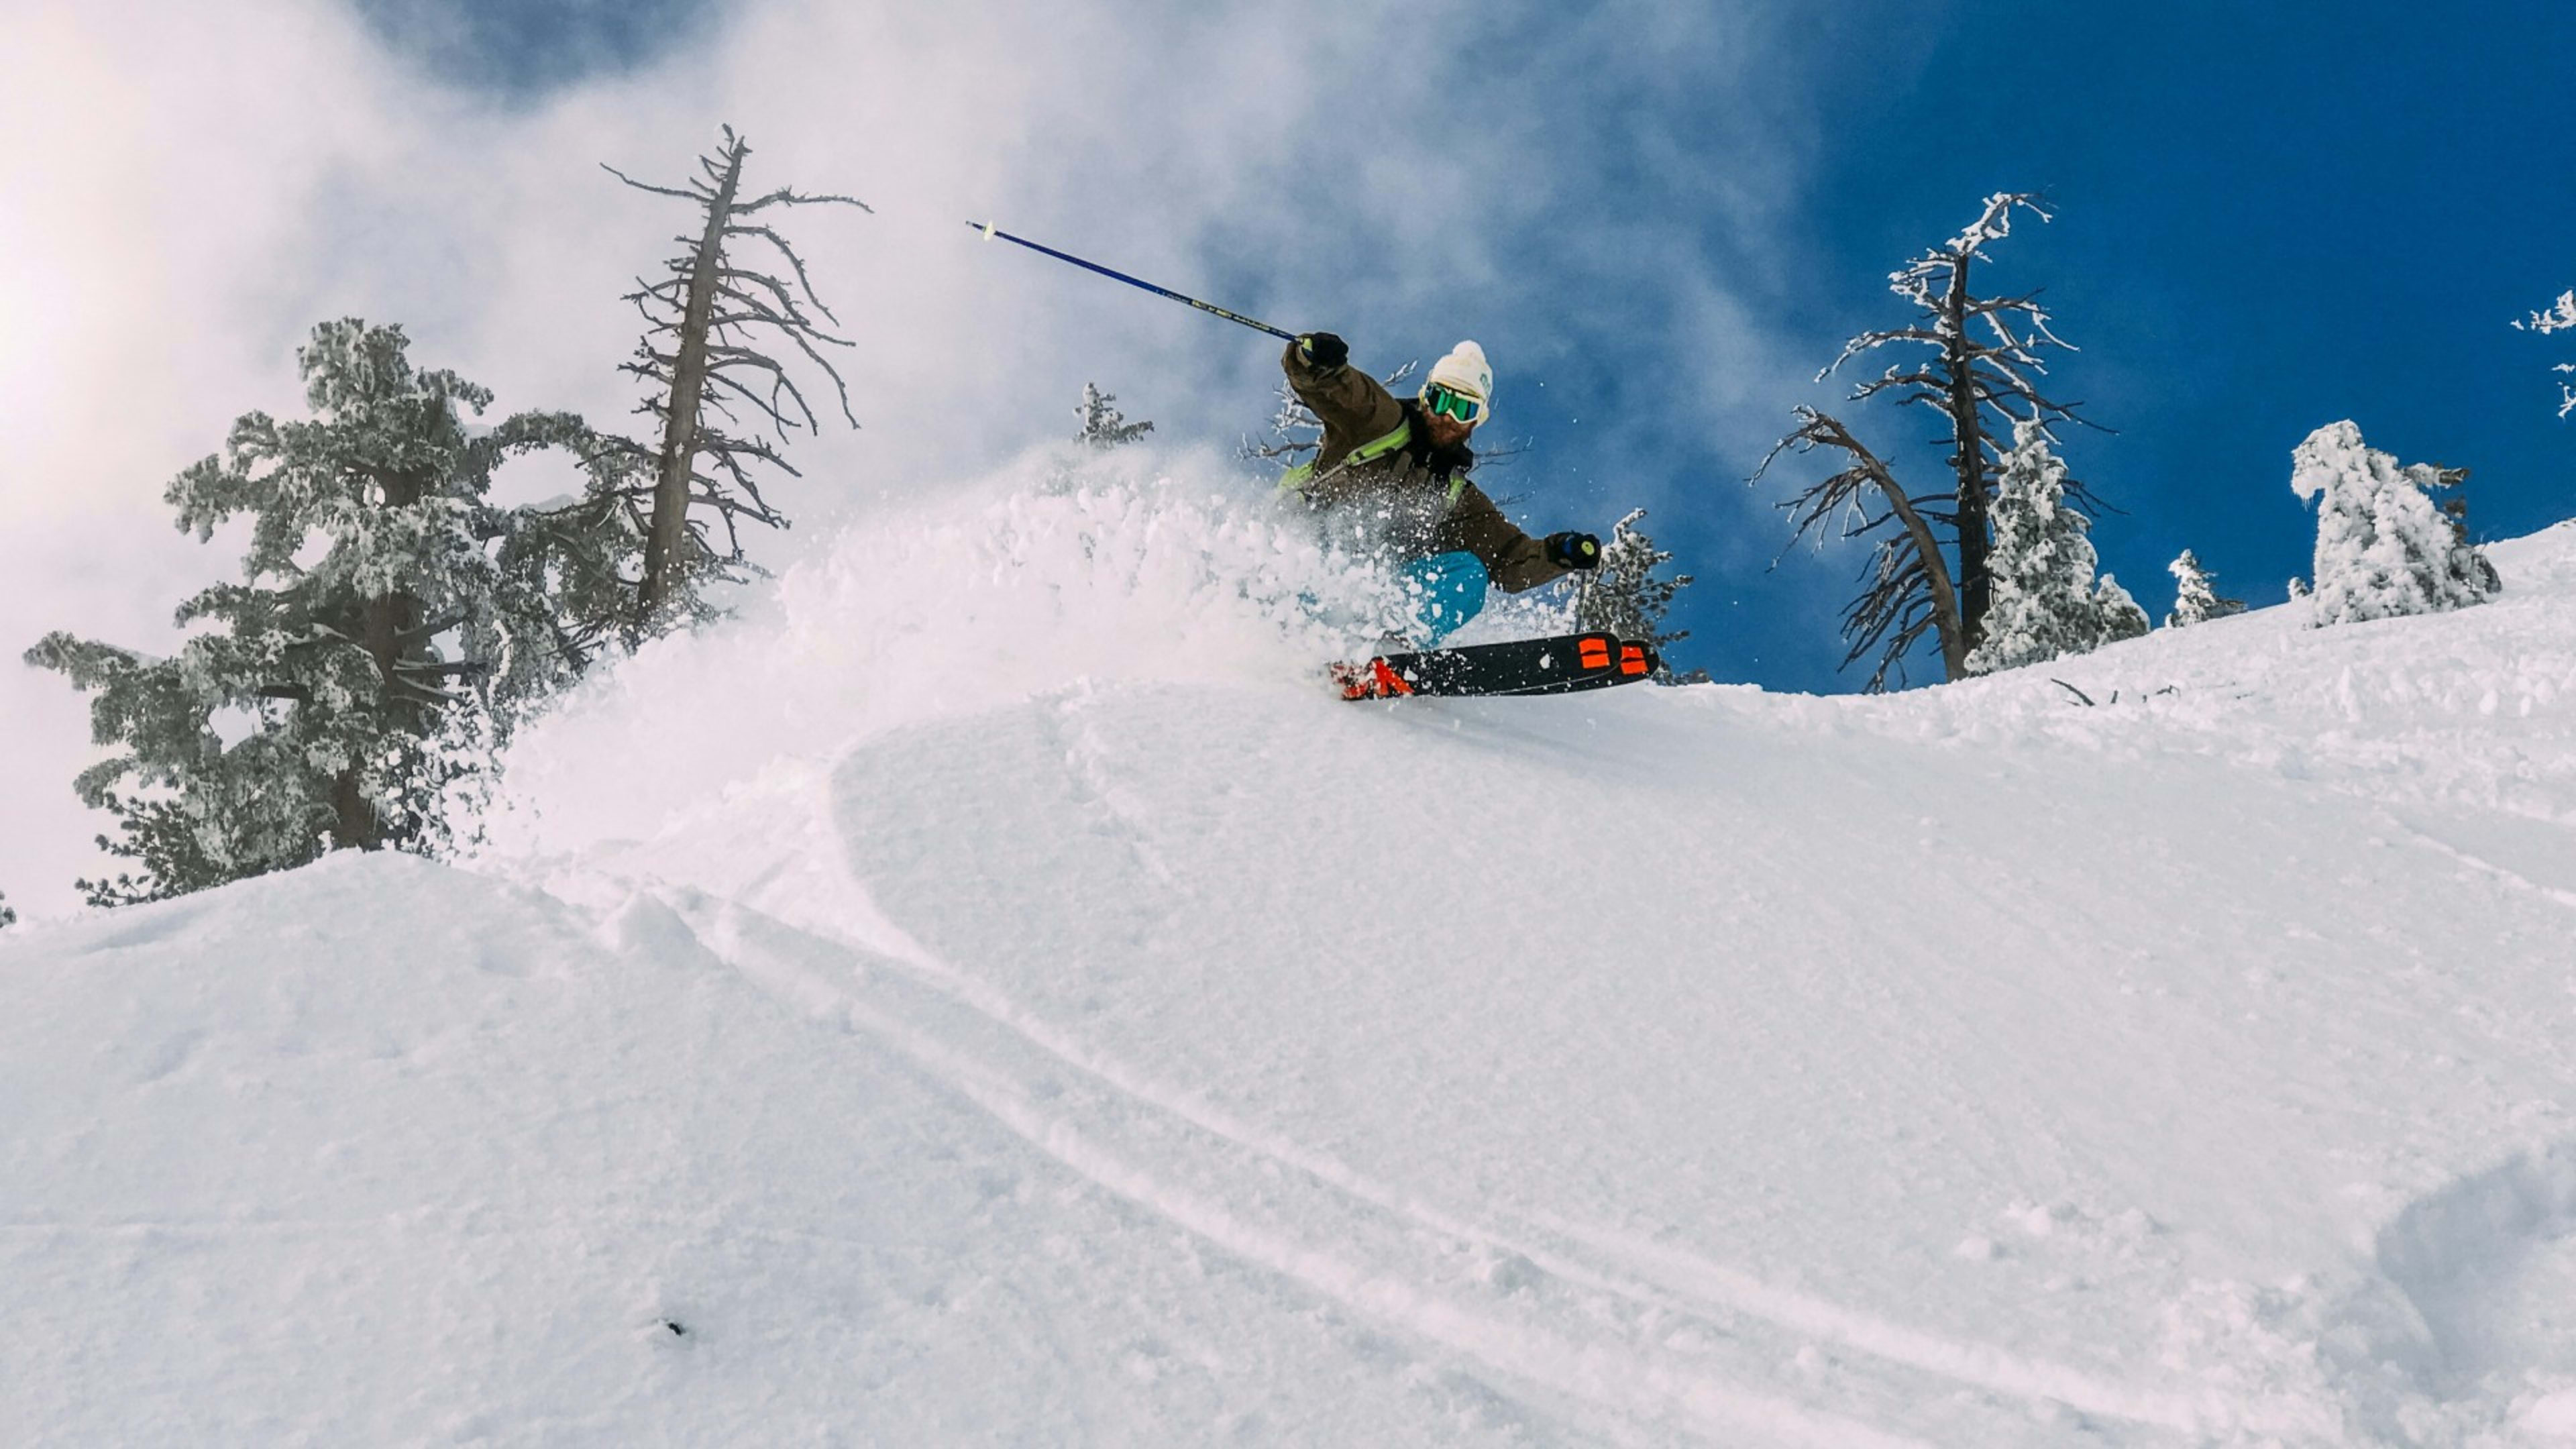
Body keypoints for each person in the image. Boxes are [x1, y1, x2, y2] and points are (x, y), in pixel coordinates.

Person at [1280, 331, 1599, 643]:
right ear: (1424, 397)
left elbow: (1506, 560)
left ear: (1477, 419)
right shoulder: (1378, 423)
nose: (1446, 416)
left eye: (1463, 409)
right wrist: (1316, 361)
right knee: (1332, 541)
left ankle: (1392, 644)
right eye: (1440, 399)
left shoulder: (1457, 497)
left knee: (1469, 574)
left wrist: (1557, 554)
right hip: (1307, 563)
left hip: (1368, 599)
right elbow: (1341, 390)